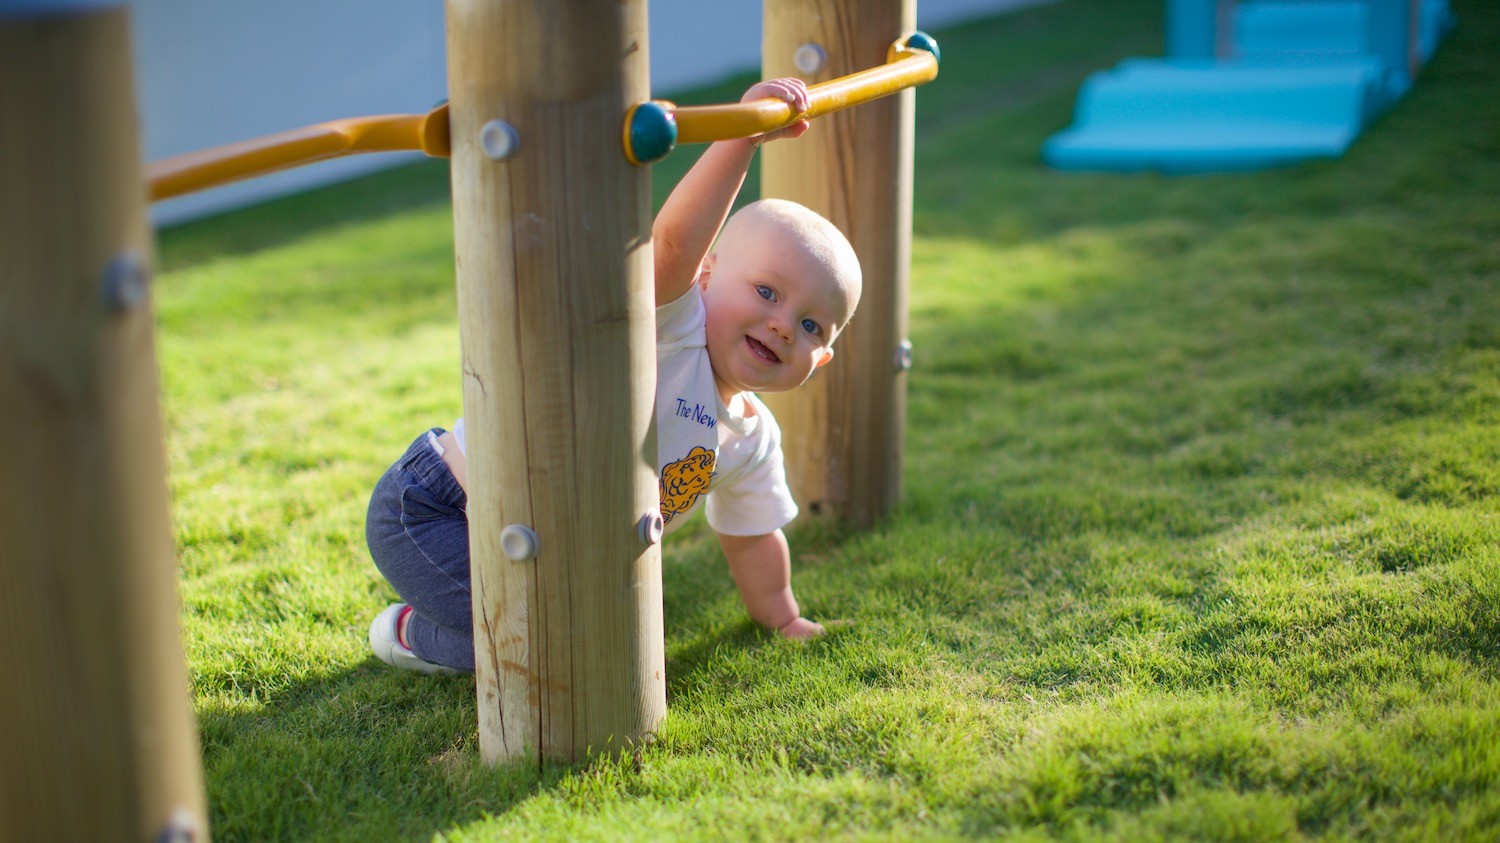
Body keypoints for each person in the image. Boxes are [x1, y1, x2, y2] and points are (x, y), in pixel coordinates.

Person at [365, 78, 862, 674]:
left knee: (564, 629)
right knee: (550, 633)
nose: (783, 326)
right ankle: (410, 631)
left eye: (811, 325)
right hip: (441, 508)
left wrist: (782, 618)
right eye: (766, 291)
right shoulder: (671, 329)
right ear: (706, 277)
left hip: (536, 543)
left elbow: (753, 536)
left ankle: (452, 624)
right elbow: (672, 243)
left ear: (823, 358)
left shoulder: (751, 438)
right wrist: (743, 136)